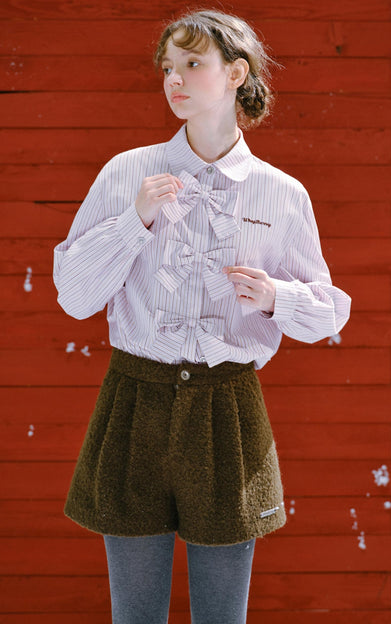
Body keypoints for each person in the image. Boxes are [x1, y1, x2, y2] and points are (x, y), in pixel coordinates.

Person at [53, 8, 351, 624]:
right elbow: (74, 296)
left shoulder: (282, 192)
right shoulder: (127, 173)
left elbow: (328, 313)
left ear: (236, 73)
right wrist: (133, 220)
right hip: (135, 397)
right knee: (134, 615)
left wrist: (276, 298)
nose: (175, 80)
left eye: (193, 64)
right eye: (169, 67)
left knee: (222, 615)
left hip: (227, 406)